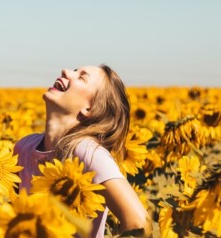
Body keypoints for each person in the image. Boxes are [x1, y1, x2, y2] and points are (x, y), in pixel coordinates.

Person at [14, 65, 151, 237]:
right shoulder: (24, 147)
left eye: (81, 77)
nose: (65, 71)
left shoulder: (88, 153)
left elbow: (140, 223)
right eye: (74, 70)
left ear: (89, 109)